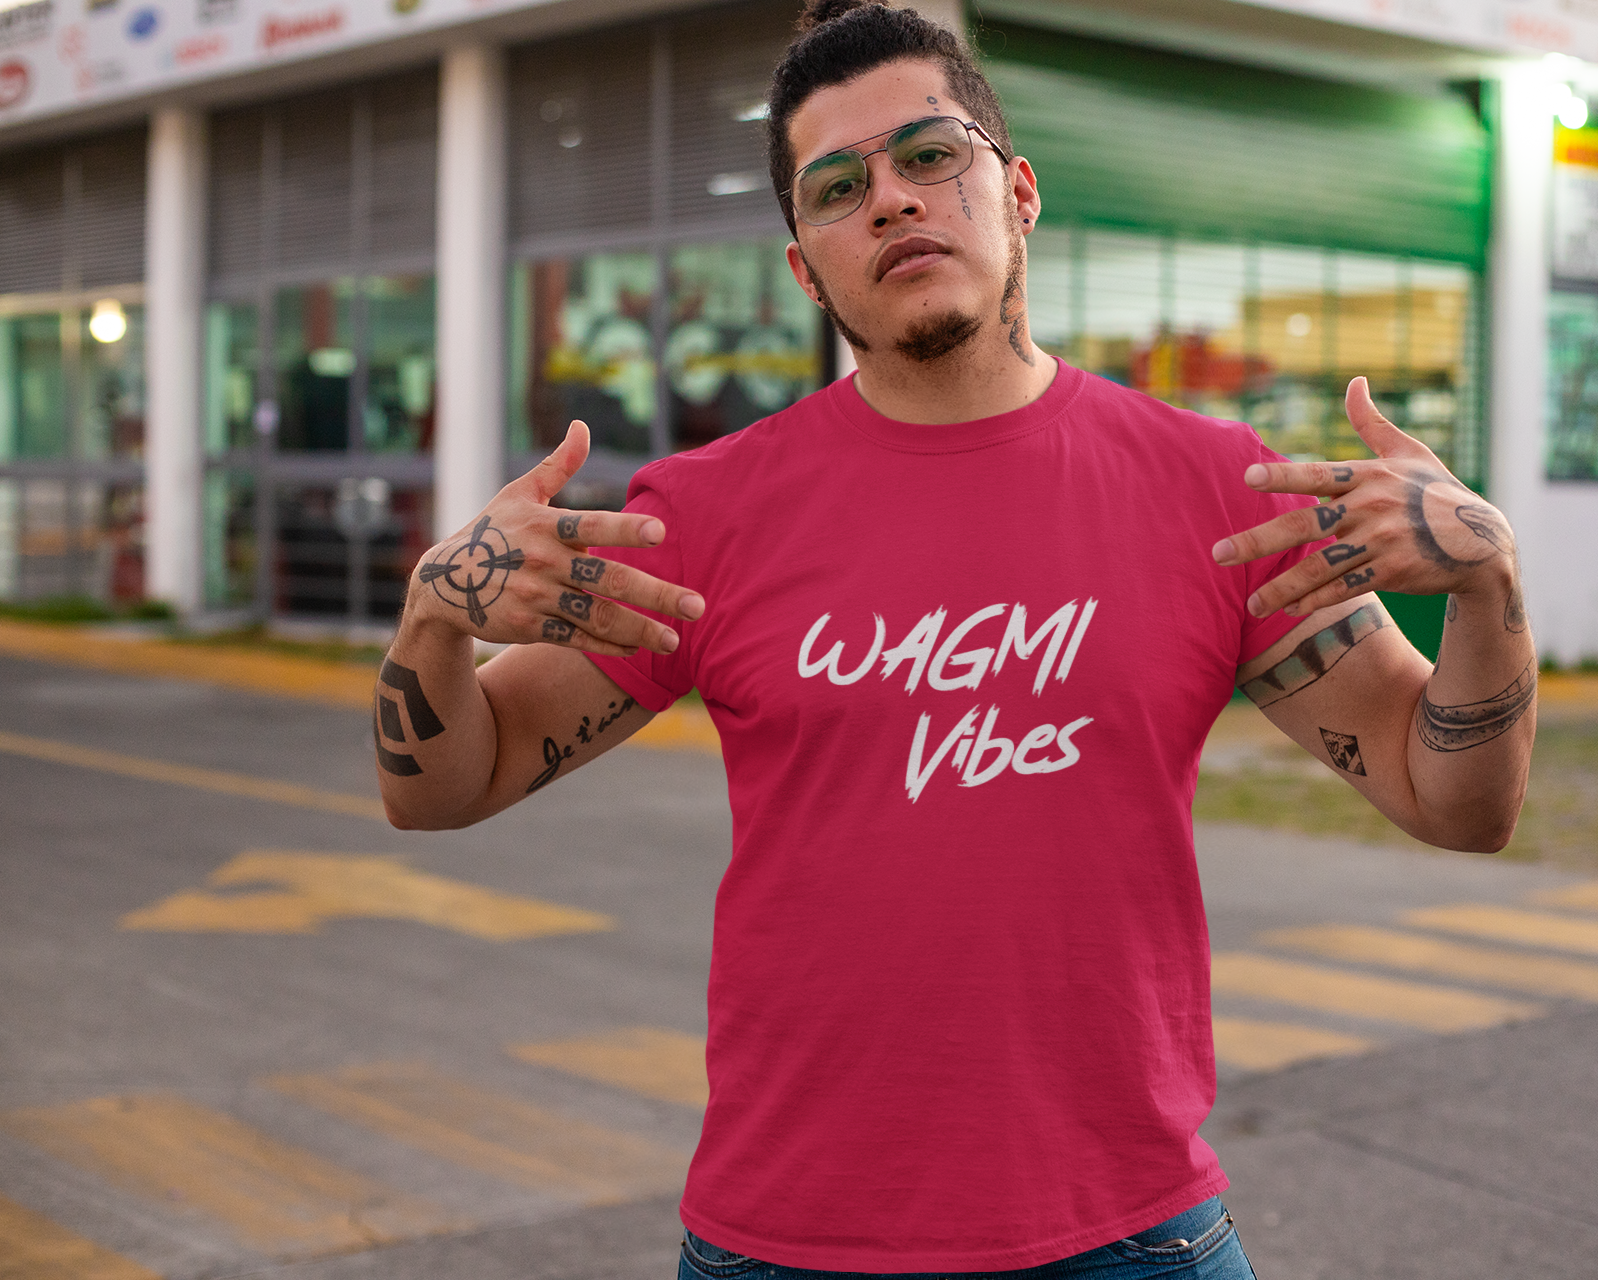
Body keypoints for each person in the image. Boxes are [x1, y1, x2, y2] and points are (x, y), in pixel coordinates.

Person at [372, 1, 1536, 1275]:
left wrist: (1488, 591)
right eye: (837, 184)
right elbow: (448, 784)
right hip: (788, 1238)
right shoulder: (705, 518)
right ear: (804, 266)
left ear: (1018, 190)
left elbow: (1456, 801)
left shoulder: (1219, 491)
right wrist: (434, 617)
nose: (891, 199)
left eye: (932, 154)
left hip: (1129, 1232)